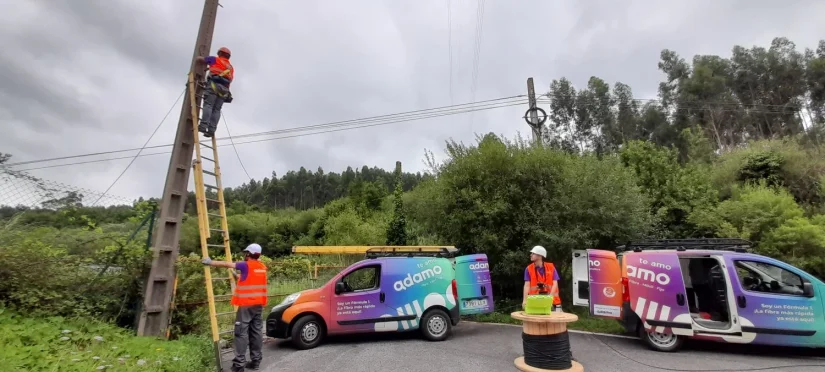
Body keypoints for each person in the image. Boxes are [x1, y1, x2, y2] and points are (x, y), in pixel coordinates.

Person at [202, 243, 267, 372]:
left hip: (246, 306)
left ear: (249, 254)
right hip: (258, 305)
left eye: (246, 253)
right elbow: (252, 280)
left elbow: (227, 264)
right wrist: (237, 277)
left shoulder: (245, 265)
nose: (244, 255)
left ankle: (239, 365)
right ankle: (256, 361)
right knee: (256, 332)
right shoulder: (262, 267)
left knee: (241, 333)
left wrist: (210, 262)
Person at [195, 46, 234, 138]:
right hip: (224, 90)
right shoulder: (231, 67)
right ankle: (211, 130)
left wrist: (199, 57)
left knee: (208, 105)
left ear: (220, 53)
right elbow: (230, 79)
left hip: (213, 85)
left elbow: (199, 59)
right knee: (216, 109)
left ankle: (203, 126)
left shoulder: (215, 59)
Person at [522, 245, 562, 311]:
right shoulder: (528, 269)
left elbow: (555, 284)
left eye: (533, 253)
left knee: (556, 321)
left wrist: (549, 298)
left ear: (539, 255)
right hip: (535, 302)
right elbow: (527, 286)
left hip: (554, 302)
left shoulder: (551, 267)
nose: (530, 255)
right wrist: (524, 301)